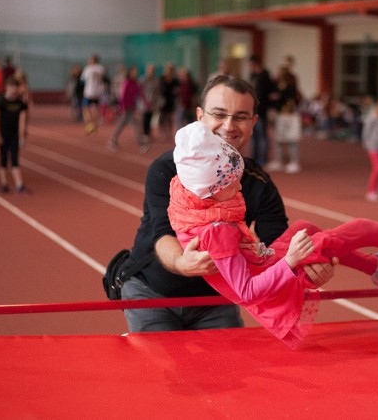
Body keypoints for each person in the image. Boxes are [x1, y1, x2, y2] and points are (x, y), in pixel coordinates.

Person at [168, 120, 378, 346]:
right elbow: (247, 292)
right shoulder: (217, 230)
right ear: (210, 191)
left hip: (265, 260)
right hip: (270, 276)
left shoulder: (191, 199)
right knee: (360, 228)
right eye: (231, 184)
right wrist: (291, 261)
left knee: (304, 227)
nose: (240, 186)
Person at [120, 75, 337, 333]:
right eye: (219, 114)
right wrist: (181, 263)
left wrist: (309, 269)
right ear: (200, 116)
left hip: (217, 300)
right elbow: (162, 233)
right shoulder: (167, 169)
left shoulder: (259, 183)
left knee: (230, 370)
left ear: (254, 122)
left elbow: (278, 246)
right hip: (153, 292)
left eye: (241, 116)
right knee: (161, 370)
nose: (229, 125)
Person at [0, 77, 28, 193]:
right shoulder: (1, 102)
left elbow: (22, 120)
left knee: (14, 158)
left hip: (14, 135)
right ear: (6, 88)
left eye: (15, 87)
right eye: (11, 87)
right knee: (3, 158)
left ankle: (19, 184)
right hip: (3, 134)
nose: (13, 89)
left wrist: (22, 136)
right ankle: (4, 183)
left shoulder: (20, 103)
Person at [108, 66, 150, 153]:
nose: (136, 73)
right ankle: (141, 143)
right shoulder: (126, 82)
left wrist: (146, 103)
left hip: (131, 107)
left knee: (123, 124)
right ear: (129, 73)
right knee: (134, 124)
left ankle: (113, 140)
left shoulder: (135, 83)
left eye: (136, 72)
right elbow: (122, 95)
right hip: (126, 108)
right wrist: (122, 107)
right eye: (134, 71)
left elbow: (140, 94)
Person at [248, 55, 274, 166]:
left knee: (262, 135)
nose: (250, 67)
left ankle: (263, 159)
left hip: (262, 111)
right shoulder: (252, 75)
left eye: (251, 65)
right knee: (253, 135)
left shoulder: (265, 75)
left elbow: (271, 93)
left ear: (255, 64)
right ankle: (254, 158)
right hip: (253, 110)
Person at [80, 54, 106, 136]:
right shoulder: (101, 68)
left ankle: (90, 126)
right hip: (97, 92)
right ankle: (95, 129)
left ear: (92, 60)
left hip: (89, 92)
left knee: (85, 109)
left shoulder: (88, 68)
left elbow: (83, 79)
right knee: (96, 109)